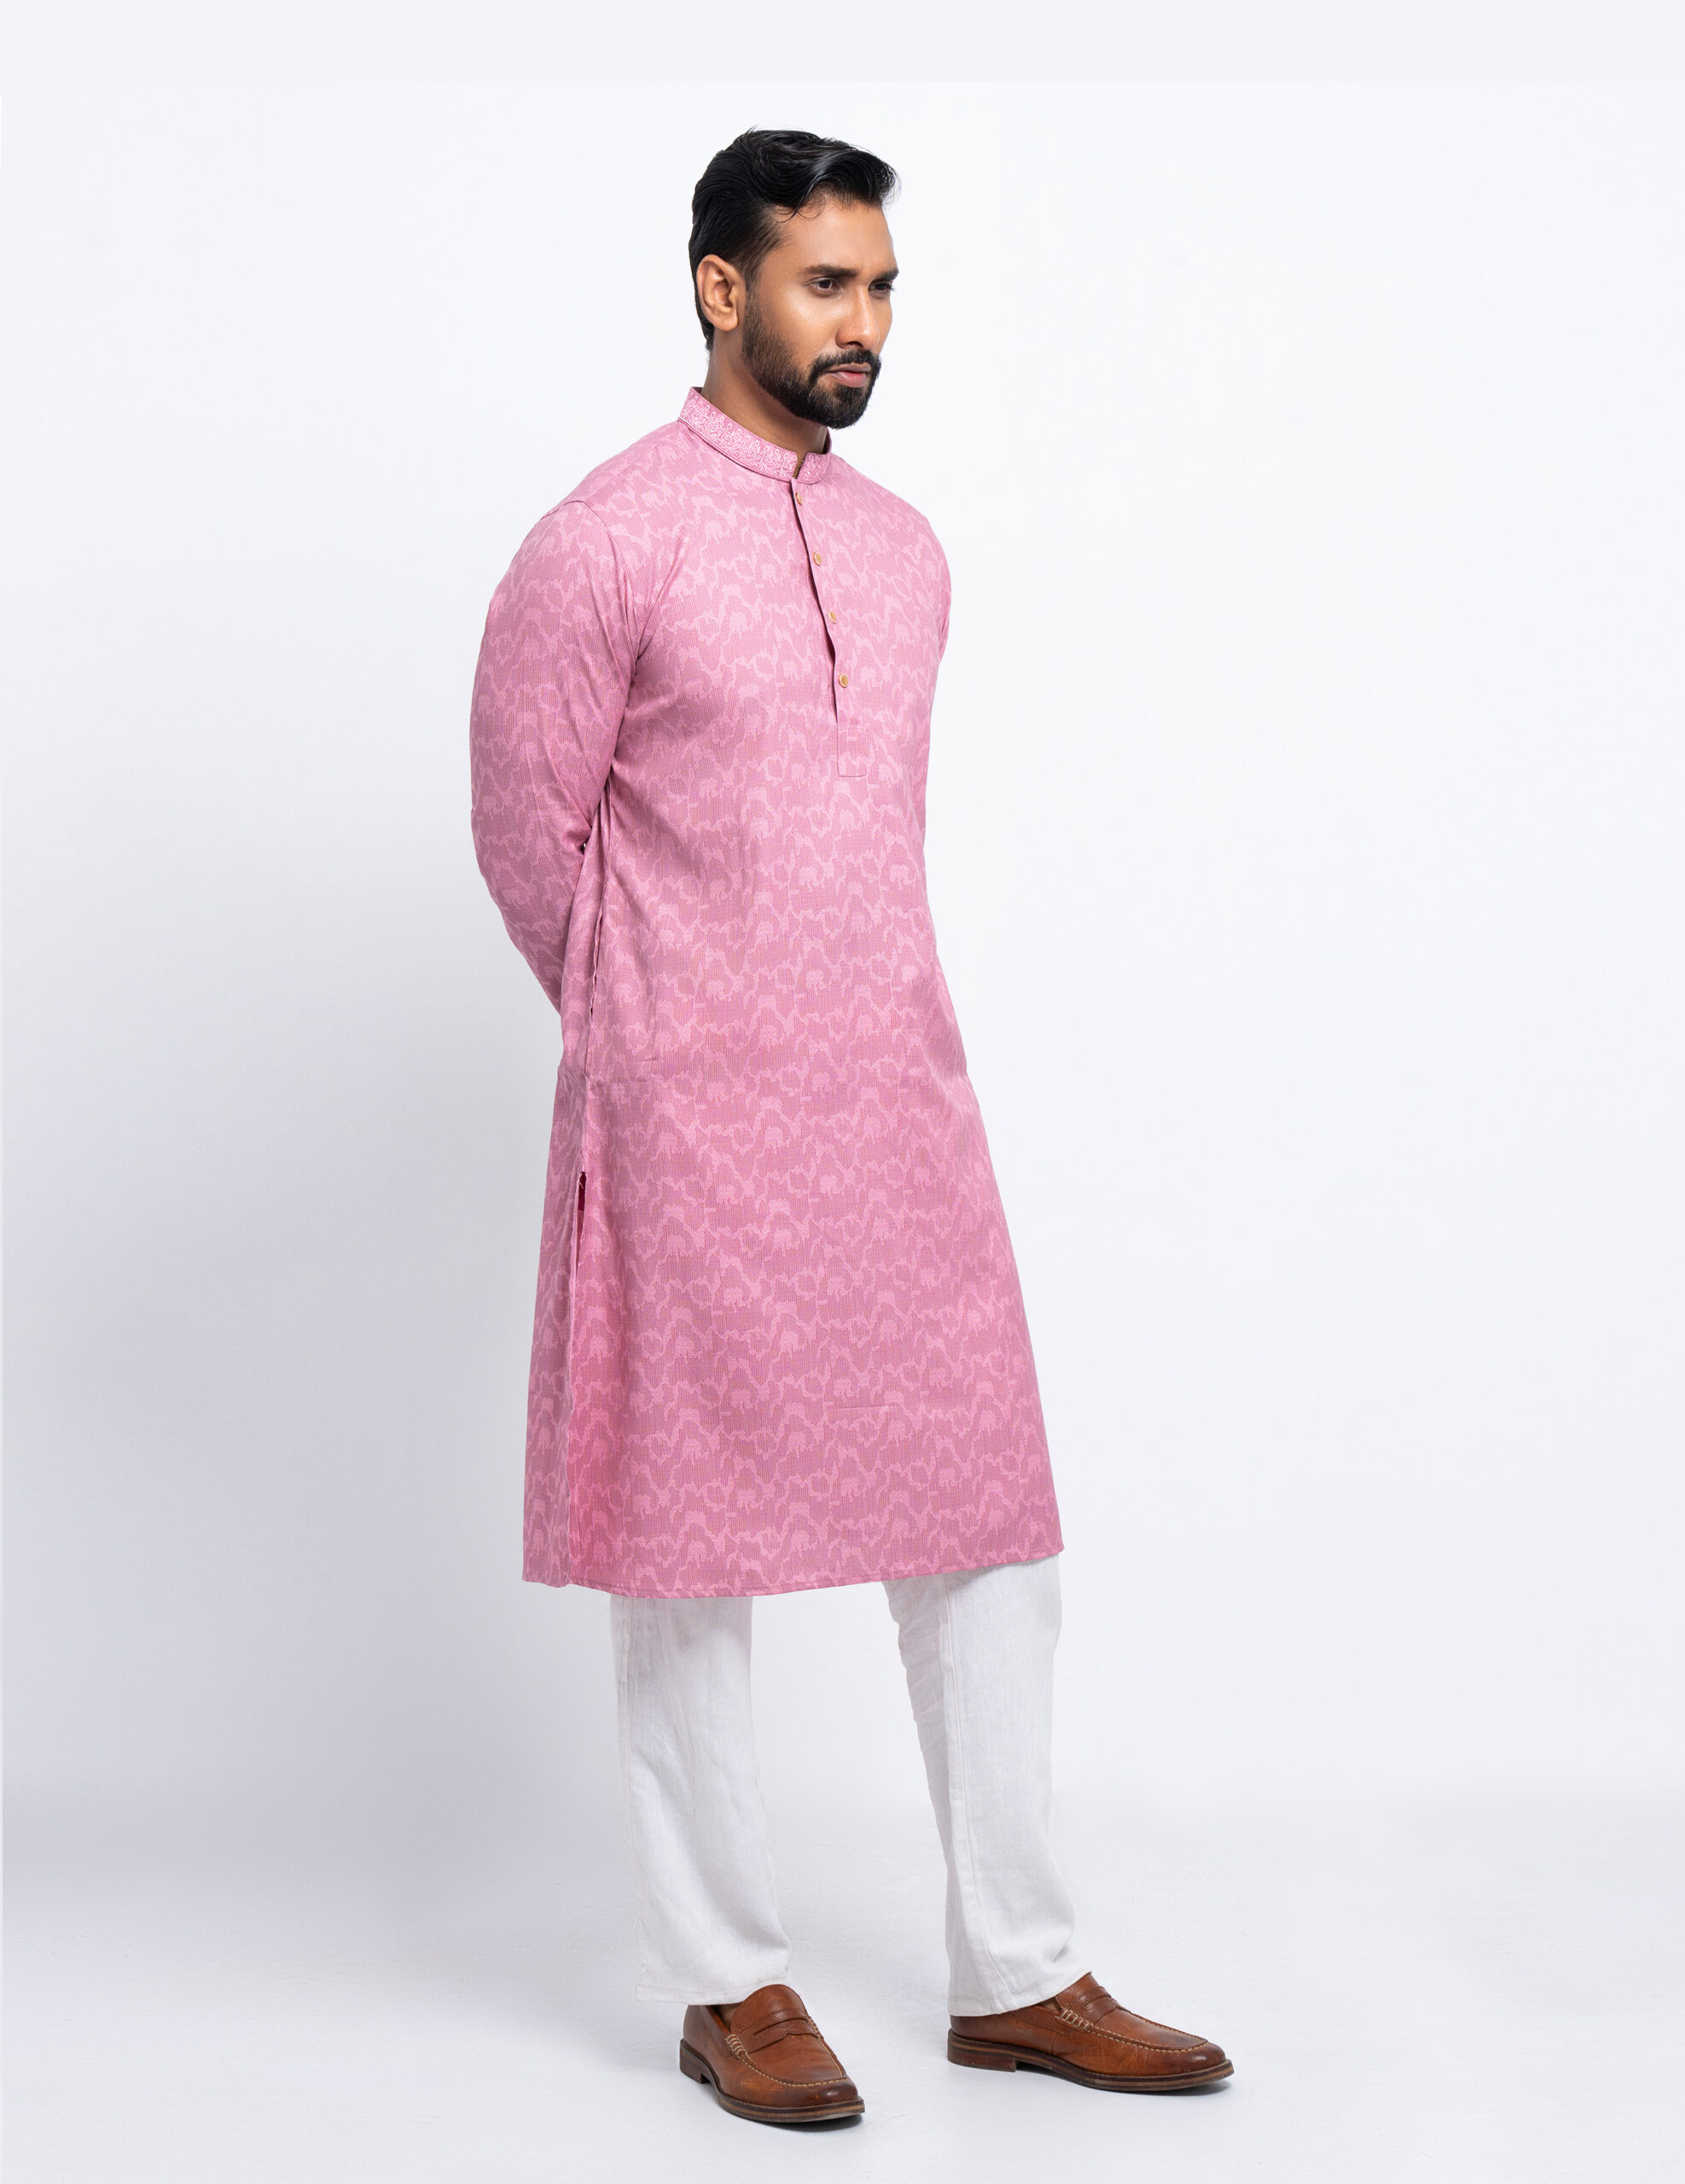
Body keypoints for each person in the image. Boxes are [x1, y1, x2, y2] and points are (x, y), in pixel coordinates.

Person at [469, 126, 1231, 2128]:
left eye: (882, 286)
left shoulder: (904, 551)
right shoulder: (602, 541)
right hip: (685, 1118)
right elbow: (526, 836)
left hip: (899, 1098)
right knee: (682, 1547)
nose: (864, 322)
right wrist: (649, 1035)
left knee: (987, 1524)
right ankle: (728, 1980)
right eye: (828, 283)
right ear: (722, 288)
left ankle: (1019, 1967)